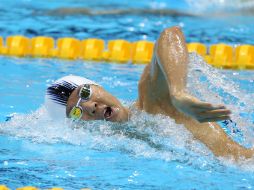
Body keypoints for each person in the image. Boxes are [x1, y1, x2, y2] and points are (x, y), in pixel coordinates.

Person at [46, 26, 253, 160]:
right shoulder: (129, 140)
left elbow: (170, 35)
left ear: (98, 85)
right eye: (76, 112)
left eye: (85, 93)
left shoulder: (151, 102)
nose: (89, 106)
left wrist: (177, 94)